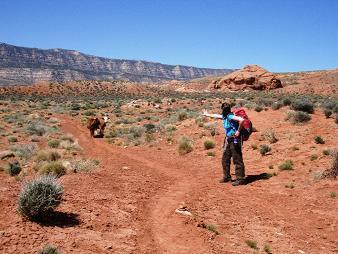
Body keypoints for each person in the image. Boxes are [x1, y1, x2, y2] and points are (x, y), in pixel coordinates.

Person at [203, 102, 246, 186]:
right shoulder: (225, 116)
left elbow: (242, 120)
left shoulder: (230, 116)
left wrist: (238, 131)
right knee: (225, 158)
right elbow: (216, 116)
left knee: (237, 158)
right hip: (228, 139)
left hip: (235, 139)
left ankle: (240, 179)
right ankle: (227, 176)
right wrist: (207, 114)